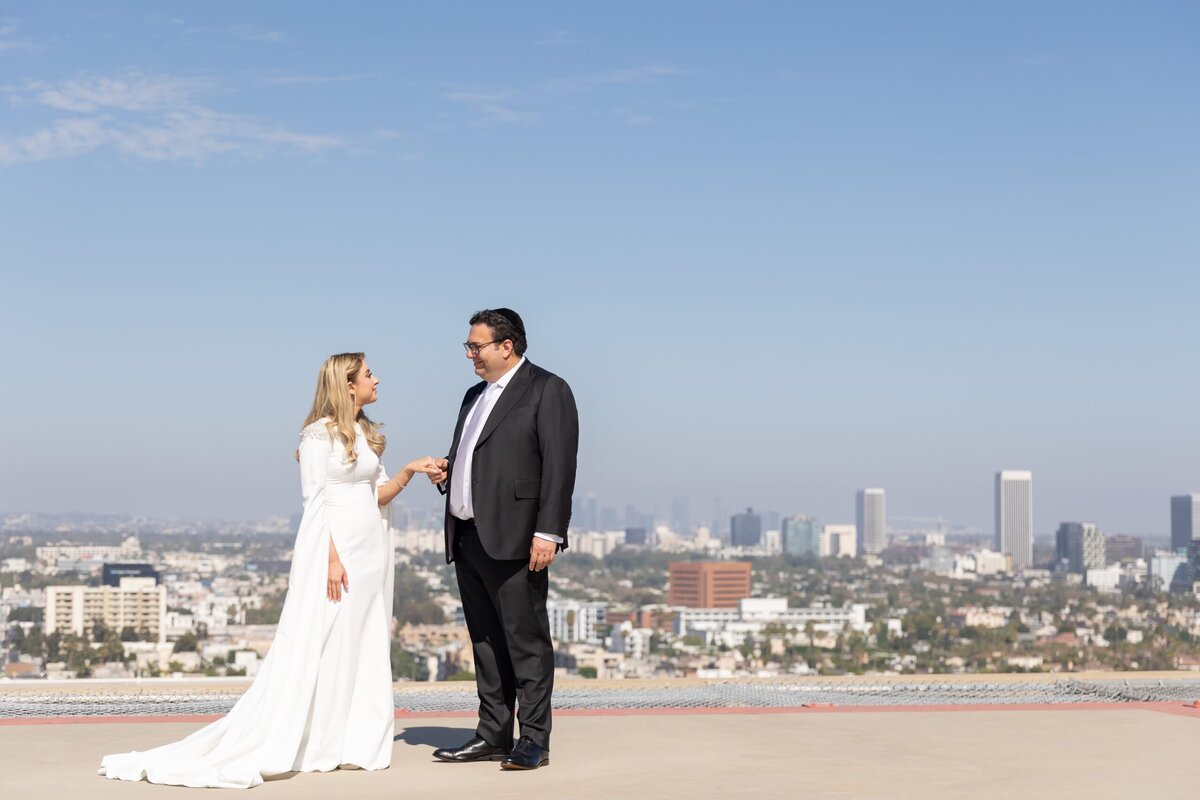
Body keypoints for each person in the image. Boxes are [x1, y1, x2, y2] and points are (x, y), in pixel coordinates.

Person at [99, 353, 439, 789]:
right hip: (336, 553)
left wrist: (410, 470)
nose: (378, 379)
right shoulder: (318, 435)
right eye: (369, 373)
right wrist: (332, 559)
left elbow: (377, 495)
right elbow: (315, 503)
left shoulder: (365, 432)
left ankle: (353, 742)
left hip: (371, 550)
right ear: (348, 384)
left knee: (360, 640)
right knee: (326, 640)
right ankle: (316, 741)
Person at [427, 309, 578, 771]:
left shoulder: (548, 389)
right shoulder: (473, 395)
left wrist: (548, 531)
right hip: (469, 535)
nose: (470, 354)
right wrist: (449, 474)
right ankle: (492, 734)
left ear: (506, 346)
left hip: (517, 539)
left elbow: (558, 468)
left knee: (526, 643)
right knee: (486, 643)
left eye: (477, 346)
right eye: (469, 347)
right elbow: (475, 460)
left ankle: (533, 740)